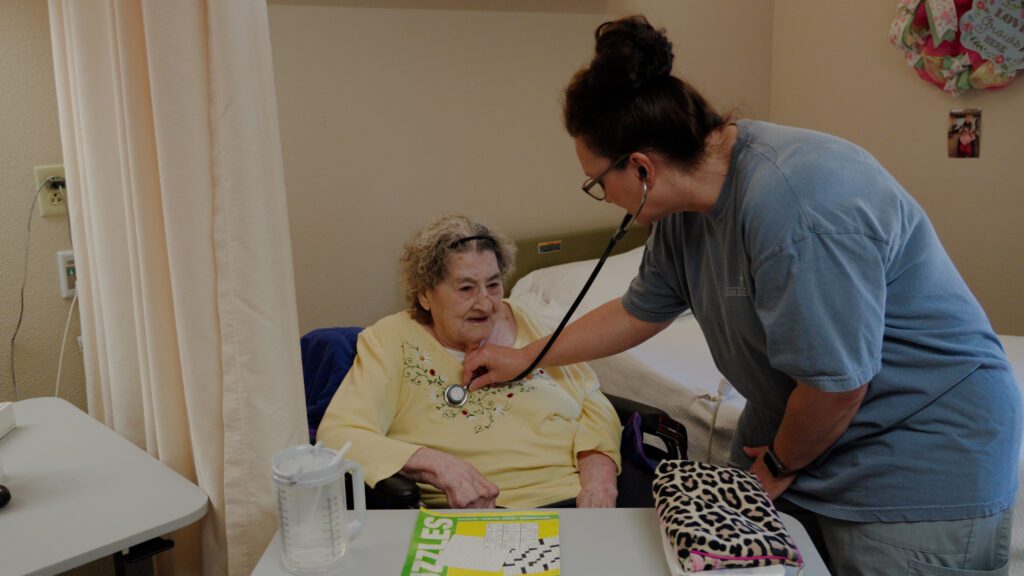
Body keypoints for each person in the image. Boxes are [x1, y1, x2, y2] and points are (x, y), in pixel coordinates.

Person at [462, 15, 1021, 575]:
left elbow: (837, 386)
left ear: (641, 168)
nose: (602, 198)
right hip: (803, 440)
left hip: (916, 452)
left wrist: (774, 468)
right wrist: (523, 358)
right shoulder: (685, 208)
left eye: (597, 182)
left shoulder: (798, 206)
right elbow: (639, 309)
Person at [316, 213, 622, 509]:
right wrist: (437, 465)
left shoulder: (527, 321)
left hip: (581, 502)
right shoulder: (392, 339)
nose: (485, 303)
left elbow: (592, 400)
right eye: (465, 288)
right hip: (482, 513)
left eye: (493, 284)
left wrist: (599, 478)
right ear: (425, 294)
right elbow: (340, 435)